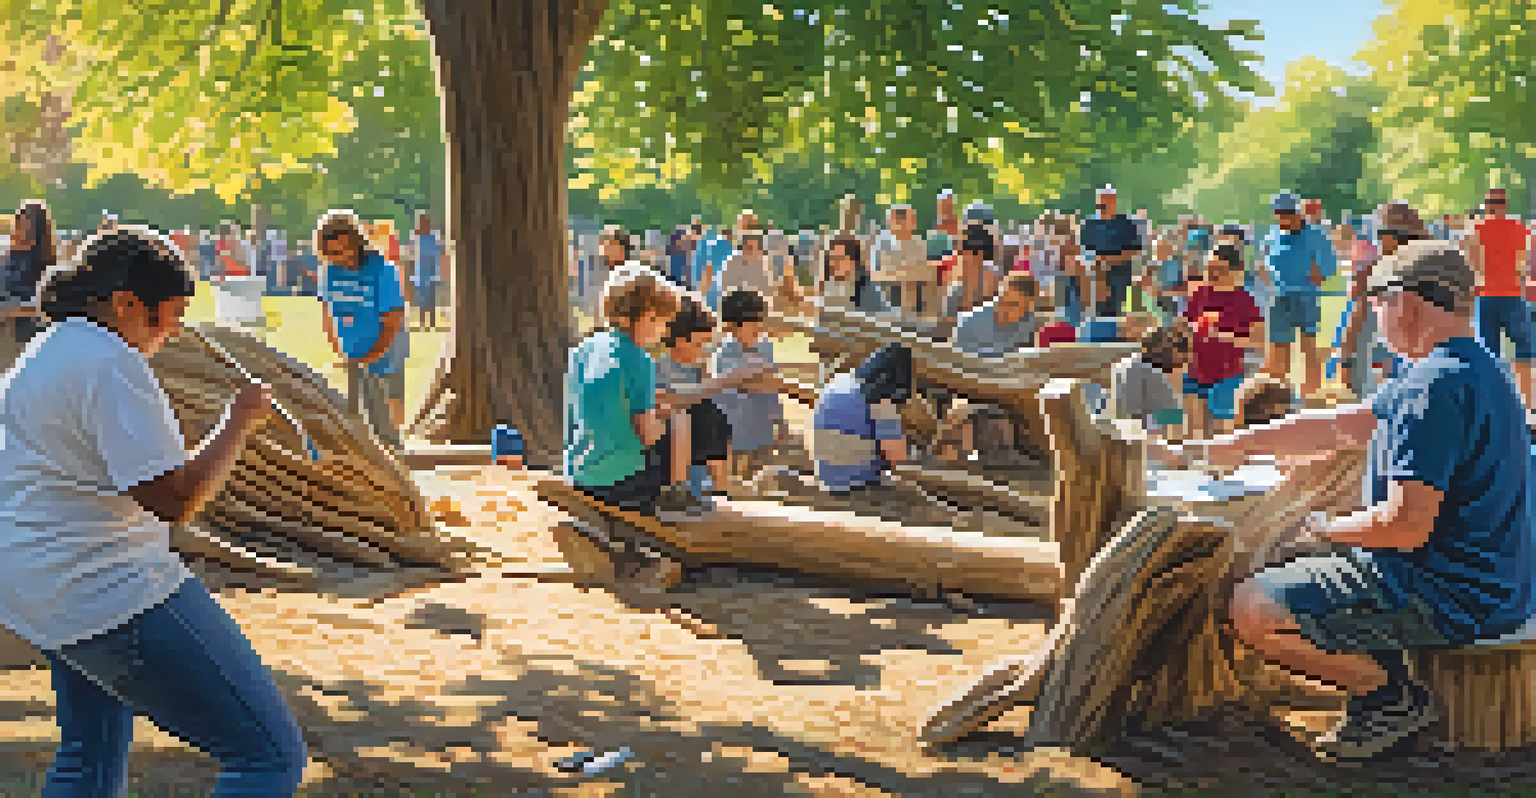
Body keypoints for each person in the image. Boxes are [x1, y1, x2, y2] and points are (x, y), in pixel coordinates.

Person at [1150, 240, 1535, 763]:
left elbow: (1405, 526)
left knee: (1251, 605)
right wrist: (1238, 445)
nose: (1373, 313)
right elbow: (1341, 426)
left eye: (1376, 300)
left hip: (1448, 594)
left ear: (1408, 302)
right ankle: (1381, 686)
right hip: (1494, 584)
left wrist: (1322, 528)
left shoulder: (1432, 386)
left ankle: (1387, 696)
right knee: (1301, 566)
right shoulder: (1473, 368)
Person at [1, 227, 305, 796]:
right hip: (109, 588)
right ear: (124, 304)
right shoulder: (110, 364)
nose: (175, 330)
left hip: (39, 585)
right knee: (268, 756)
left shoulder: (50, 347)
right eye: (169, 315)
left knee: (88, 756)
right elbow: (174, 500)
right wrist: (237, 421)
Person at [565, 268, 729, 515]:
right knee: (681, 417)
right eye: (664, 322)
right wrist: (661, 415)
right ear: (648, 317)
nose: (665, 332)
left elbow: (575, 418)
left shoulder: (583, 350)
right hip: (622, 485)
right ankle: (675, 492)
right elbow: (648, 435)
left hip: (580, 476)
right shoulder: (638, 358)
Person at [315, 211, 405, 450]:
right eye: (333, 253)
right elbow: (327, 311)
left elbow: (393, 322)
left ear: (358, 242)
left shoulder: (383, 271)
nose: (343, 257)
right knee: (360, 417)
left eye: (347, 249)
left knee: (385, 421)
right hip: (354, 353)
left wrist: (372, 355)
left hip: (385, 353)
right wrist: (339, 348)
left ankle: (393, 454)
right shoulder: (329, 272)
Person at [941, 273, 1048, 462]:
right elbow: (958, 367)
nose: (1003, 308)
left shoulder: (1033, 325)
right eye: (1001, 300)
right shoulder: (971, 321)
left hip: (1014, 390)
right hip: (973, 388)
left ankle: (1037, 455)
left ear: (1029, 307)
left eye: (1013, 305)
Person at [1337, 203, 1423, 402]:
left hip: (1402, 371)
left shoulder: (1427, 273)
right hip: (1380, 370)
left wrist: (1346, 359)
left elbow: (1356, 319)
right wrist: (1346, 359)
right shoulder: (1371, 274)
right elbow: (1356, 318)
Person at [655, 295, 732, 501]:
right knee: (692, 415)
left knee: (714, 414)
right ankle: (677, 489)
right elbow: (662, 402)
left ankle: (720, 488)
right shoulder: (658, 365)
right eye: (700, 344)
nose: (704, 350)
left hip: (692, 440)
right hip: (666, 440)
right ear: (680, 341)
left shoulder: (696, 367)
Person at [1183, 244, 1265, 439]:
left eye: (1219, 269)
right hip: (1195, 371)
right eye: (1209, 268)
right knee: (1195, 430)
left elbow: (1259, 340)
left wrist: (1225, 337)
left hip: (1227, 374)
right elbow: (1184, 326)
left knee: (1223, 432)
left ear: (1235, 271)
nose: (1212, 274)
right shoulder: (1199, 294)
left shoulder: (1245, 300)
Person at [1263, 191, 1338, 399]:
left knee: (1309, 348)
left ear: (1297, 213)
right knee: (1279, 349)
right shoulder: (1273, 235)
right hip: (1279, 297)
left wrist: (1320, 274)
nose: (1283, 219)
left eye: (1287, 214)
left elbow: (1331, 266)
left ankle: (1311, 396)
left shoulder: (1315, 235)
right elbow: (1266, 262)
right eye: (1279, 215)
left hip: (1307, 297)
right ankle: (1278, 397)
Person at [1467, 187, 1534, 410]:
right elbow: (1522, 264)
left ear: (1486, 206)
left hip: (1486, 296)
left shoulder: (1477, 229)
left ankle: (1493, 403)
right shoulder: (1519, 228)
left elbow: (1473, 265)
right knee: (1523, 349)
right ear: (1505, 206)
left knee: (1489, 352)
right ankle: (1526, 402)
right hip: (1513, 295)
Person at [709, 289, 784, 491]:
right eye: (754, 326)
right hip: (735, 439)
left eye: (761, 323)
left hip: (763, 434)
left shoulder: (765, 347)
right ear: (731, 327)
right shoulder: (725, 356)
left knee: (762, 483)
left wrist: (779, 421)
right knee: (738, 485)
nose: (760, 330)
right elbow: (755, 385)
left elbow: (773, 393)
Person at [1107, 322, 1188, 439]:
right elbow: (1173, 416)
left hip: (1119, 427)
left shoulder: (1122, 364)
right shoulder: (1153, 372)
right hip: (1141, 432)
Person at [1078, 186, 1143, 318]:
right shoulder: (1090, 224)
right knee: (1096, 312)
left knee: (1119, 312)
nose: (1102, 208)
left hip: (1120, 277)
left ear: (1114, 203)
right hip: (1096, 275)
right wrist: (1097, 263)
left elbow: (1135, 251)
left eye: (1105, 204)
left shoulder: (1126, 224)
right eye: (1099, 204)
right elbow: (1083, 250)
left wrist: (1110, 260)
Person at [5, 200, 56, 351]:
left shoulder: (48, 263)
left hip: (35, 334)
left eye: (26, 223)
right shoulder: (8, 259)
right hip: (14, 332)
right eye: (19, 222)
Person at [872, 205, 933, 318]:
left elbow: (924, 273)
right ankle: (905, 316)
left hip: (913, 292)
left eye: (905, 220)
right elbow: (875, 274)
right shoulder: (883, 243)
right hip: (889, 290)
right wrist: (902, 273)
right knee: (907, 281)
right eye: (898, 221)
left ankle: (912, 315)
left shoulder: (918, 243)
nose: (901, 226)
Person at [817, 234, 892, 315]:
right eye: (832, 258)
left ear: (853, 261)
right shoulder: (830, 286)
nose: (834, 263)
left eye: (840, 258)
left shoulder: (866, 292)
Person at [941, 225, 999, 320]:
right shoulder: (955, 285)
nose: (957, 255)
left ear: (979, 254)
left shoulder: (992, 283)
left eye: (961, 251)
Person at [412, 213, 442, 331]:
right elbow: (412, 254)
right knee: (422, 299)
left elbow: (438, 253)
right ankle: (423, 322)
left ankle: (432, 322)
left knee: (431, 299)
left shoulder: (433, 236)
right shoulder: (417, 237)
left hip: (431, 272)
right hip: (421, 273)